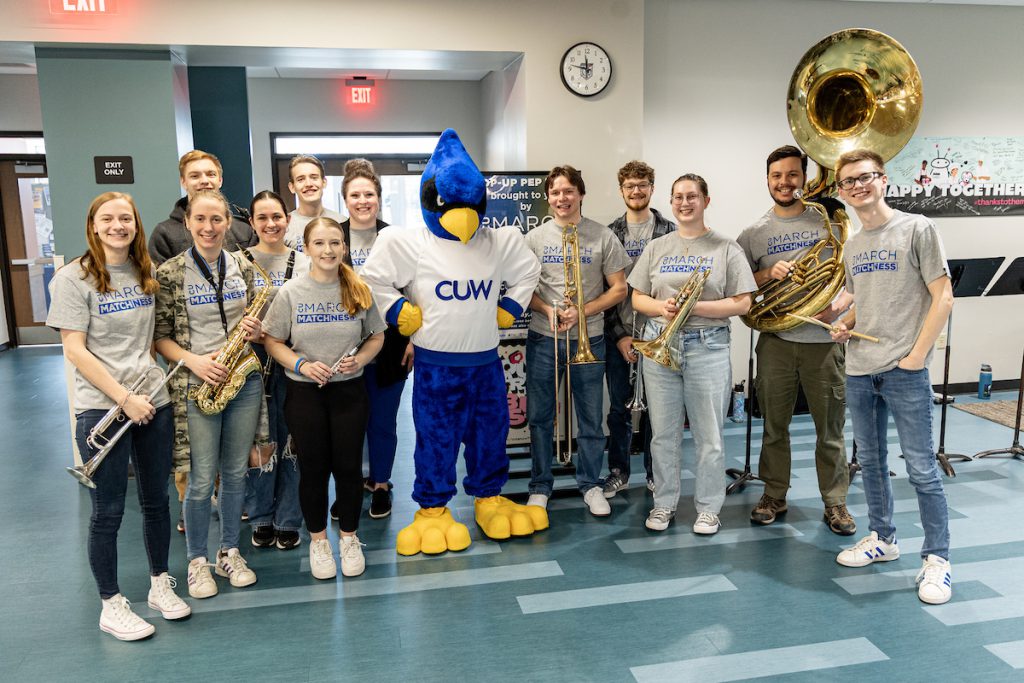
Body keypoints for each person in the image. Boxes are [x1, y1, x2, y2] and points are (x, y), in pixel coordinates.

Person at [47, 192, 190, 640]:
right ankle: (110, 603)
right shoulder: (74, 277)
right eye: (107, 219)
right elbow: (74, 349)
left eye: (125, 218)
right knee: (107, 512)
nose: (117, 226)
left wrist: (141, 393)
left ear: (135, 223)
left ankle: (158, 584)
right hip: (102, 407)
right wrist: (123, 397)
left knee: (156, 501)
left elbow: (147, 342)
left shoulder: (146, 271)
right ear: (93, 225)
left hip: (153, 403)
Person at [830, 149, 954, 605]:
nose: (857, 186)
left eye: (865, 178)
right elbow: (866, 299)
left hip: (905, 370)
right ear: (841, 192)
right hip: (861, 369)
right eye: (848, 182)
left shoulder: (918, 227)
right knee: (873, 464)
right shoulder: (853, 244)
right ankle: (882, 538)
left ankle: (937, 560)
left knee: (921, 468)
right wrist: (847, 323)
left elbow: (943, 297)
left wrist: (917, 356)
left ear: (883, 180)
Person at [736, 146, 854, 535]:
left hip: (824, 341)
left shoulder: (830, 222)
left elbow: (850, 276)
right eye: (776, 176)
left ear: (803, 177)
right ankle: (774, 493)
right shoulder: (753, 233)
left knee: (830, 430)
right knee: (774, 425)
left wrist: (836, 311)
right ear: (766, 180)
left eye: (791, 174)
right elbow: (736, 288)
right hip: (777, 341)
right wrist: (768, 273)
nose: (784, 182)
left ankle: (835, 503)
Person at [629, 174, 756, 534]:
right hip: (660, 345)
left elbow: (744, 302)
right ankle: (664, 504)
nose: (685, 203)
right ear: (671, 202)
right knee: (663, 435)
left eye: (692, 196)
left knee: (709, 435)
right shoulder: (658, 247)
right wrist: (661, 307)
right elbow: (637, 297)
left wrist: (696, 307)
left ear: (705, 200)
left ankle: (708, 508)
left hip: (708, 346)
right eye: (678, 197)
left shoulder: (726, 247)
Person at [154, 189, 265, 599]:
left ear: (227, 223)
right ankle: (197, 561)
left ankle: (229, 551)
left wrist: (255, 333)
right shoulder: (169, 273)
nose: (208, 227)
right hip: (199, 381)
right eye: (200, 219)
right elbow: (160, 337)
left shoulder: (243, 266)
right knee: (201, 479)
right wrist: (195, 362)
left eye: (216, 219)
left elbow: (254, 321)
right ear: (188, 222)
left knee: (236, 473)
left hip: (244, 378)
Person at [263, 217, 385, 578]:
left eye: (335, 243)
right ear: (307, 247)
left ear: (343, 248)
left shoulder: (359, 289)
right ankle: (318, 542)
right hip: (305, 394)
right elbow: (272, 341)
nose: (328, 250)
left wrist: (360, 359)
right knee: (313, 471)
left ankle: (348, 538)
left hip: (349, 392)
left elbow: (376, 336)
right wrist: (301, 364)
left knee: (348, 469)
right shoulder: (291, 293)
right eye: (319, 243)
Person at [524, 165, 629, 516]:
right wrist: (548, 309)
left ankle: (590, 483)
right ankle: (540, 485)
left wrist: (582, 312)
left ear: (581, 194)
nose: (562, 198)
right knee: (539, 416)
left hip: (591, 337)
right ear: (548, 198)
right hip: (544, 336)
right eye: (555, 192)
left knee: (590, 417)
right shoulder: (535, 239)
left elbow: (619, 288)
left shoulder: (602, 236)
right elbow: (523, 290)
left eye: (568, 191)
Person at [339, 158, 412, 519]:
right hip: (341, 347)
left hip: (391, 346)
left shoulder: (395, 237)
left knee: (382, 421)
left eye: (369, 194)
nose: (362, 200)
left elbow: (415, 291)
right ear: (345, 199)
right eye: (355, 195)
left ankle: (381, 484)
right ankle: (349, 487)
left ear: (379, 198)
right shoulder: (333, 237)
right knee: (347, 424)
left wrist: (415, 338)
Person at [239, 191, 310, 550]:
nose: (271, 224)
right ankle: (261, 515)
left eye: (277, 217)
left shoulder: (305, 262)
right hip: (250, 365)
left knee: (293, 442)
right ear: (252, 223)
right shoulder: (238, 263)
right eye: (262, 217)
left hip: (291, 361)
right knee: (258, 443)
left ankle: (288, 517)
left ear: (288, 219)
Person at [602, 161, 673, 498]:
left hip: (659, 333)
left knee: (657, 410)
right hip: (620, 334)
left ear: (651, 188)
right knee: (618, 409)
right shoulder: (609, 234)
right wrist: (620, 336)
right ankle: (619, 472)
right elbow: (602, 291)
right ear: (621, 190)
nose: (636, 191)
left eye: (642, 184)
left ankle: (653, 472)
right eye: (629, 185)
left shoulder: (671, 232)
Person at [148, 150, 257, 265]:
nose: (204, 181)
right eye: (195, 176)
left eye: (211, 174)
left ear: (220, 180)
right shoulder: (164, 233)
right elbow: (157, 280)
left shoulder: (244, 231)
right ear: (184, 182)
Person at [284, 154, 344, 251]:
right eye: (301, 179)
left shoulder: (341, 222)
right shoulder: (284, 226)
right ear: (292, 187)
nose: (308, 184)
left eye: (314, 177)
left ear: (324, 182)